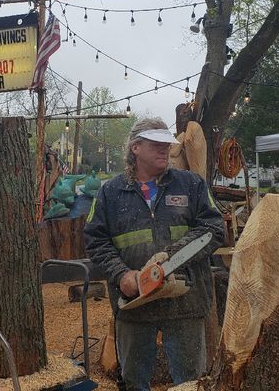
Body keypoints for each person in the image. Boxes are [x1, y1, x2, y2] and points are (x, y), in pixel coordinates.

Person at [84, 118, 224, 390]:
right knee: (134, 381)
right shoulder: (110, 193)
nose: (164, 149)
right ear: (135, 148)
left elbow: (214, 228)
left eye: (166, 144)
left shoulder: (191, 184)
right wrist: (121, 273)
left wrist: (168, 259)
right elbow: (95, 239)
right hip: (135, 304)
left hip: (186, 302)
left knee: (191, 381)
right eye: (155, 144)